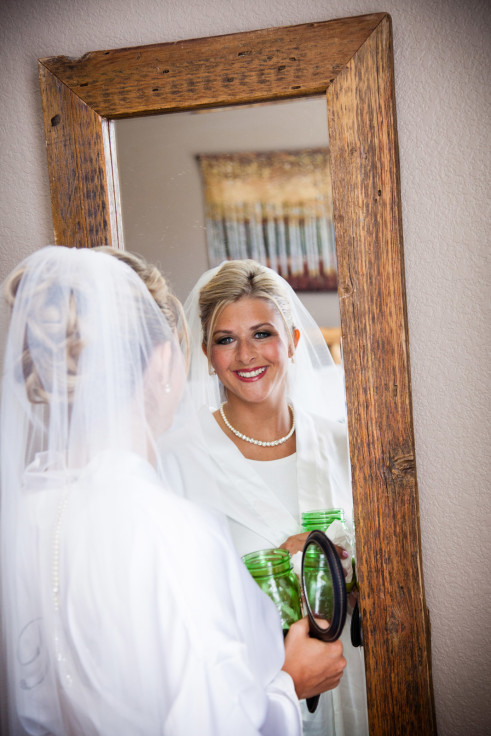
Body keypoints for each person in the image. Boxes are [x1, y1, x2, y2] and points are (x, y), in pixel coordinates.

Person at [0, 246, 346, 736]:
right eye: (224, 340)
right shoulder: (173, 531)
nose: (245, 353)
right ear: (168, 361)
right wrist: (288, 684)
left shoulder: (22, 516)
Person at [184, 259, 369, 736]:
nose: (246, 354)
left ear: (294, 340)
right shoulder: (178, 456)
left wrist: (340, 565)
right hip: (243, 701)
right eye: (226, 339)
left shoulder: (346, 447)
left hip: (355, 685)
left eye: (262, 333)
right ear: (207, 353)